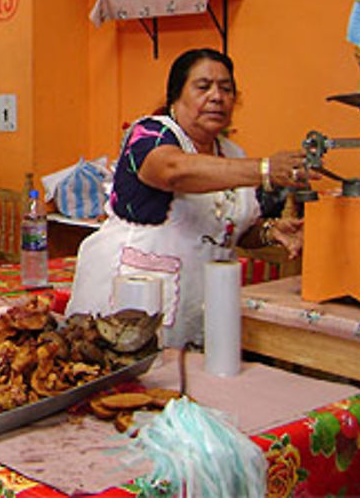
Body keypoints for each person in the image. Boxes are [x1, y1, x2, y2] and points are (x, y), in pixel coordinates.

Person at [66, 48, 314, 348]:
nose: (216, 97)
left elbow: (223, 228)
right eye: (203, 86)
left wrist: (269, 231)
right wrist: (265, 169)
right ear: (176, 96)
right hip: (129, 302)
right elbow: (173, 171)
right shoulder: (149, 135)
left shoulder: (233, 155)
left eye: (226, 88)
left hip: (197, 305)